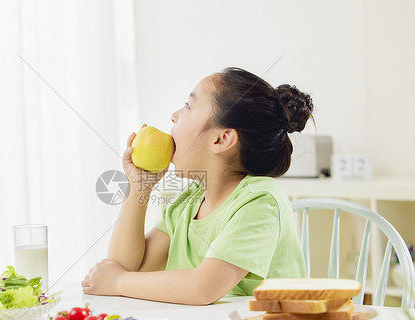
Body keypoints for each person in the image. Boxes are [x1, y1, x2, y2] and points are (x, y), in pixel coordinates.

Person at [82, 67, 313, 305]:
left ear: (221, 139)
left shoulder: (260, 200)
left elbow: (203, 288)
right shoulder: (189, 201)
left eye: (188, 106)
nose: (174, 115)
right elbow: (126, 267)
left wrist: (118, 282)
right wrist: (140, 186)